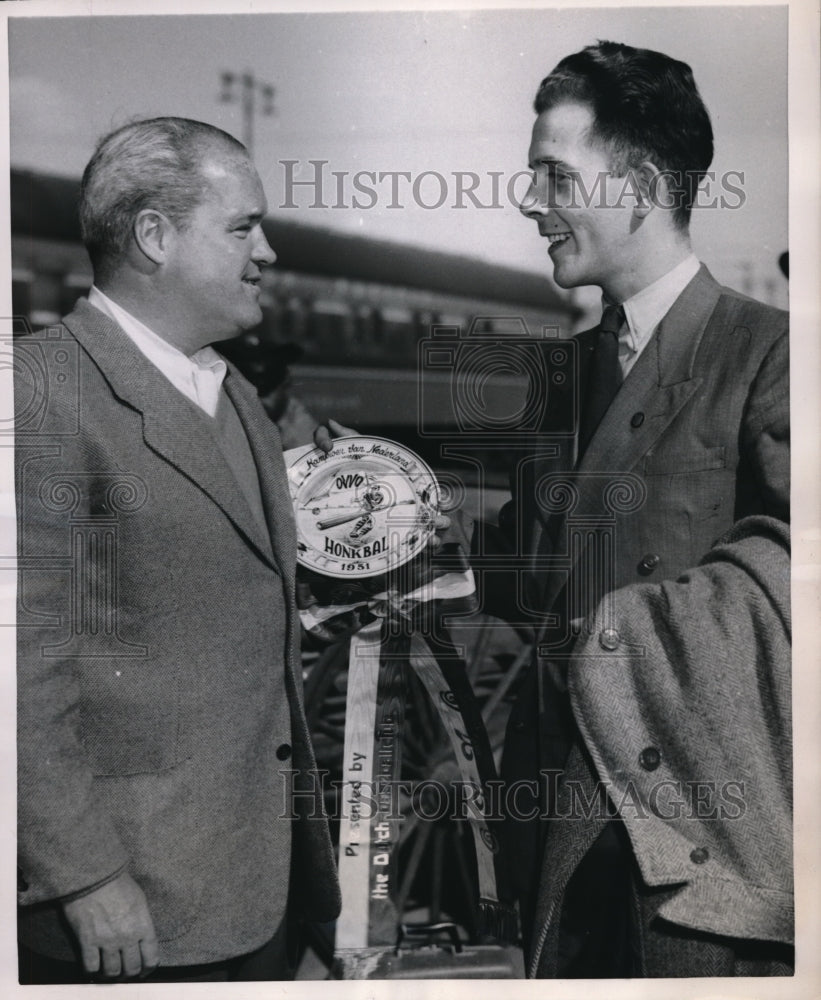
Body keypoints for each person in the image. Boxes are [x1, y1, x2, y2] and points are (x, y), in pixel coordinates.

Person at [15, 116, 341, 983]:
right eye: (241, 227)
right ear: (153, 236)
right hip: (129, 911)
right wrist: (80, 872)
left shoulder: (232, 394)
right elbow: (17, 664)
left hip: (259, 889)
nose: (267, 250)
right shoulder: (37, 392)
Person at [496, 42, 791, 977]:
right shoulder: (562, 376)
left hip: (702, 860)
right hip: (555, 840)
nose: (529, 199)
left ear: (641, 185)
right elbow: (521, 592)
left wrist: (613, 632)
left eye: (554, 173)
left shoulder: (771, 354)